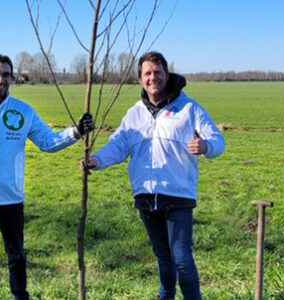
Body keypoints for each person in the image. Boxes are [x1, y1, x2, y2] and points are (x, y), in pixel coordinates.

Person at [0, 54, 94, 300]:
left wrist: (76, 131)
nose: (0, 79)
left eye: (5, 74)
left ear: (11, 77)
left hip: (10, 195)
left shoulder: (22, 111)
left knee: (16, 255)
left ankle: (19, 296)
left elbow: (48, 142)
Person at [84, 51, 225, 300]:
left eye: (157, 72)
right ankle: (165, 296)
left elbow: (218, 140)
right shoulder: (135, 113)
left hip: (178, 194)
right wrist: (96, 160)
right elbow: (118, 146)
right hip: (146, 196)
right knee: (163, 258)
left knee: (181, 258)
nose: (152, 78)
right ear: (140, 79)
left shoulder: (189, 108)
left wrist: (205, 147)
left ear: (166, 74)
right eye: (147, 73)